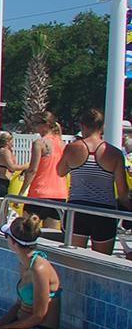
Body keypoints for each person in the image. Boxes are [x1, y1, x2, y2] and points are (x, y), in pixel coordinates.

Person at [56, 107, 126, 254]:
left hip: (77, 209)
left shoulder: (72, 148)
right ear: (102, 126)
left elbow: (60, 172)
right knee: (101, 261)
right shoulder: (115, 153)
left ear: (82, 125)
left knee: (74, 258)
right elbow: (122, 191)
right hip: (104, 211)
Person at [22, 110, 67, 228]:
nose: (33, 126)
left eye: (36, 123)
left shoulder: (39, 143)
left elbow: (32, 170)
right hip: (59, 194)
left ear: (46, 124)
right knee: (50, 234)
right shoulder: (62, 144)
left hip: (39, 193)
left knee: (27, 230)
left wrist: (21, 193)